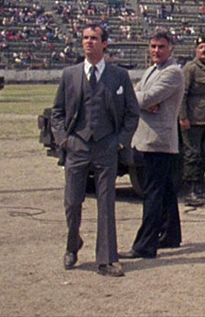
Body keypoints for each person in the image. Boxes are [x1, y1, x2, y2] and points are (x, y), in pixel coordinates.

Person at [52, 23, 139, 277]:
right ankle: (72, 245)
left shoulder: (118, 76)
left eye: (94, 38)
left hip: (106, 145)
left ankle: (106, 259)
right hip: (77, 145)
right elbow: (57, 111)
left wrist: (121, 141)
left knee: (106, 203)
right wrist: (63, 140)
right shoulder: (70, 74)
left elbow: (132, 113)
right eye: (85, 38)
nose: (88, 42)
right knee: (72, 201)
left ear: (104, 44)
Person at [121, 28, 186, 260]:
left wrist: (142, 101)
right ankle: (170, 235)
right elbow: (137, 94)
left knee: (153, 195)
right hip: (149, 139)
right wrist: (142, 100)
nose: (156, 51)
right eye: (153, 46)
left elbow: (144, 97)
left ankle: (145, 245)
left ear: (171, 49)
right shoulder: (151, 70)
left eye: (161, 47)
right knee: (166, 190)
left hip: (157, 141)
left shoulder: (173, 72)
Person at [179, 36, 205, 207]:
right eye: (201, 47)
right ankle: (191, 191)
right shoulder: (190, 69)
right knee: (192, 156)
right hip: (193, 120)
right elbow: (183, 93)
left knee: (203, 156)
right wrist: (183, 117)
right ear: (196, 50)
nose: (204, 50)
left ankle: (200, 190)